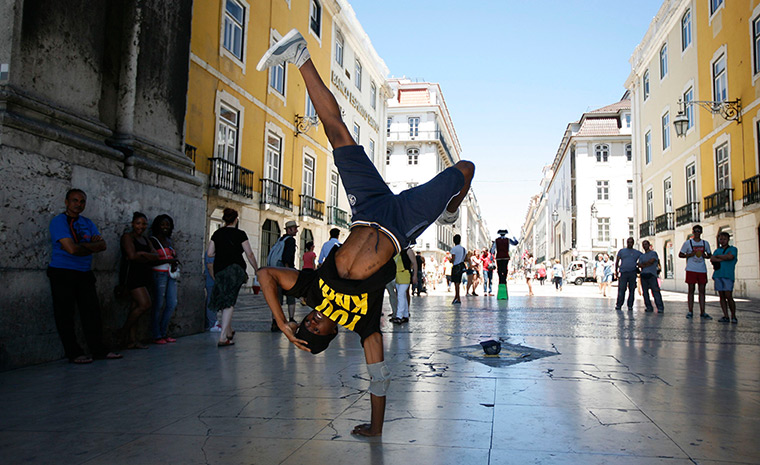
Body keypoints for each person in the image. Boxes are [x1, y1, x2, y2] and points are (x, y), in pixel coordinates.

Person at [254, 29, 474, 437]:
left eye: (307, 322)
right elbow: (379, 378)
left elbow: (267, 275)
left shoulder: (312, 291)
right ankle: (449, 208)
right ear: (331, 334)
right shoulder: (364, 324)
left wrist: (283, 321)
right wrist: (376, 428)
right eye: (314, 328)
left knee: (336, 131)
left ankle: (299, 54)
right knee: (464, 169)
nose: (313, 319)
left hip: (366, 208)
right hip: (400, 224)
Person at [47, 189, 121, 364]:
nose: (78, 205)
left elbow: (102, 245)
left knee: (92, 313)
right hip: (62, 272)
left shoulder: (87, 223)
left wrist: (83, 246)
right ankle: (74, 353)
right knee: (65, 314)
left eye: (82, 202)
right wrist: (90, 245)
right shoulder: (59, 222)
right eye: (75, 200)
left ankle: (99, 350)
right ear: (66, 202)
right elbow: (71, 249)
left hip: (84, 273)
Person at [207, 208, 259, 346]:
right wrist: (256, 269)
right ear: (236, 219)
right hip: (235, 270)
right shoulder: (240, 234)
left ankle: (229, 330)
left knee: (225, 298)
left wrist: (222, 251)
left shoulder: (217, 233)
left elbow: (210, 253)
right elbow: (250, 254)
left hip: (219, 270)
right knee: (229, 302)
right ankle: (223, 337)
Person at [119, 212, 161, 349]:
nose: (141, 226)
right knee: (145, 304)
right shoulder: (127, 237)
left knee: (135, 307)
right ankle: (123, 332)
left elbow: (156, 256)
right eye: (138, 223)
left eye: (143, 224)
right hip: (133, 275)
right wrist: (146, 256)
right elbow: (131, 256)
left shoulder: (145, 239)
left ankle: (132, 340)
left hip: (144, 275)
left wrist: (143, 254)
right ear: (132, 224)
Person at [149, 214, 180, 344]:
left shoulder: (169, 241)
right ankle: (156, 334)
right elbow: (152, 260)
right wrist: (170, 259)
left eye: (167, 224)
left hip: (170, 274)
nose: (165, 227)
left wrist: (173, 261)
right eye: (162, 224)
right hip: (159, 274)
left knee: (172, 303)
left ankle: (163, 331)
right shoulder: (152, 240)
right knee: (158, 304)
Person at [679, 224, 712, 319]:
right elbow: (680, 254)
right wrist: (689, 255)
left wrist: (705, 256)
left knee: (702, 291)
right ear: (692, 232)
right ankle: (690, 311)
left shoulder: (705, 243)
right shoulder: (687, 243)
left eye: (699, 231)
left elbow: (709, 255)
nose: (697, 233)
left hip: (702, 269)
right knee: (691, 290)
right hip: (691, 269)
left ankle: (703, 311)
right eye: (695, 231)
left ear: (701, 232)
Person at [271, 220, 299, 331]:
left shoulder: (280, 240)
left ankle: (275, 322)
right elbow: (288, 258)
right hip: (285, 273)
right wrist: (290, 273)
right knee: (291, 297)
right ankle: (291, 319)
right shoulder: (290, 241)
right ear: (290, 229)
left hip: (275, 273)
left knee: (277, 299)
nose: (296, 230)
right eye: (295, 228)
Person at [710, 231, 738, 324]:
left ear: (728, 239)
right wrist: (723, 257)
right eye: (721, 239)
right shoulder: (717, 250)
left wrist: (719, 257)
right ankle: (725, 315)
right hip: (718, 275)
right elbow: (712, 259)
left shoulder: (733, 249)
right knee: (721, 296)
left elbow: (730, 257)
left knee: (729, 296)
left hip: (728, 275)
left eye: (724, 239)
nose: (722, 241)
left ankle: (733, 315)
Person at [614, 237, 642, 311]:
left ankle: (630, 305)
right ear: (626, 243)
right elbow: (617, 261)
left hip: (632, 273)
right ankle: (619, 304)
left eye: (631, 242)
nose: (629, 244)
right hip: (623, 273)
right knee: (621, 289)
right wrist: (616, 270)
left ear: (633, 243)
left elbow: (643, 258)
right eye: (628, 242)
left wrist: (639, 265)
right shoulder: (622, 251)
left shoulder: (637, 252)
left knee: (632, 290)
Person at [637, 240, 664, 313]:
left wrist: (644, 265)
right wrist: (646, 264)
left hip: (652, 275)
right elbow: (639, 264)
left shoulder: (653, 253)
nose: (644, 246)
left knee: (655, 292)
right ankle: (648, 307)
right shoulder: (642, 256)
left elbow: (652, 261)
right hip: (643, 275)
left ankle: (660, 307)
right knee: (645, 293)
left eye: (646, 244)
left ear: (649, 245)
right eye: (643, 244)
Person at [392, 248, 417, 324]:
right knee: (402, 295)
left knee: (400, 294)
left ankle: (399, 316)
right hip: (397, 275)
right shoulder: (396, 251)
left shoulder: (408, 251)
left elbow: (414, 263)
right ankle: (405, 314)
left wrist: (415, 275)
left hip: (405, 274)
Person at [491, 229, 518, 297]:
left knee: (499, 269)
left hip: (499, 257)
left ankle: (501, 279)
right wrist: (514, 238)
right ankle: (504, 278)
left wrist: (492, 255)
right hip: (506, 257)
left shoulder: (496, 240)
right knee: (505, 268)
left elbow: (492, 250)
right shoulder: (508, 240)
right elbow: (515, 243)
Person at [204, 254, 221, 331]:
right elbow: (210, 267)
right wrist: (216, 279)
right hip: (211, 281)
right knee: (211, 301)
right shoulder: (210, 253)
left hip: (214, 281)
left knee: (213, 301)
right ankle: (212, 323)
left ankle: (213, 321)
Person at [450, 235, 467, 304]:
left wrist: (450, 260)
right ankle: (457, 297)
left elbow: (453, 259)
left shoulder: (454, 249)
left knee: (456, 283)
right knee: (458, 282)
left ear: (454, 241)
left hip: (456, 267)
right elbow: (465, 258)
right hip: (461, 266)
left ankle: (457, 297)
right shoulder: (463, 249)